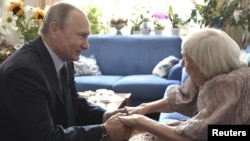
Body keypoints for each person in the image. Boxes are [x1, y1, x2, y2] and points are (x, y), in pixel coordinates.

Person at [0, 2, 131, 141]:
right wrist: (104, 131)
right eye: (81, 35)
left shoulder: (64, 58)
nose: (86, 45)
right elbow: (45, 137)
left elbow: (74, 103)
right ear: (54, 29)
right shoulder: (24, 72)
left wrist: (106, 115)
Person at [118, 28, 250, 141]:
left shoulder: (227, 86)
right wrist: (144, 108)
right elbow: (181, 98)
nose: (181, 64)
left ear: (202, 63)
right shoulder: (210, 74)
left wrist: (140, 120)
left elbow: (192, 138)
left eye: (185, 58)